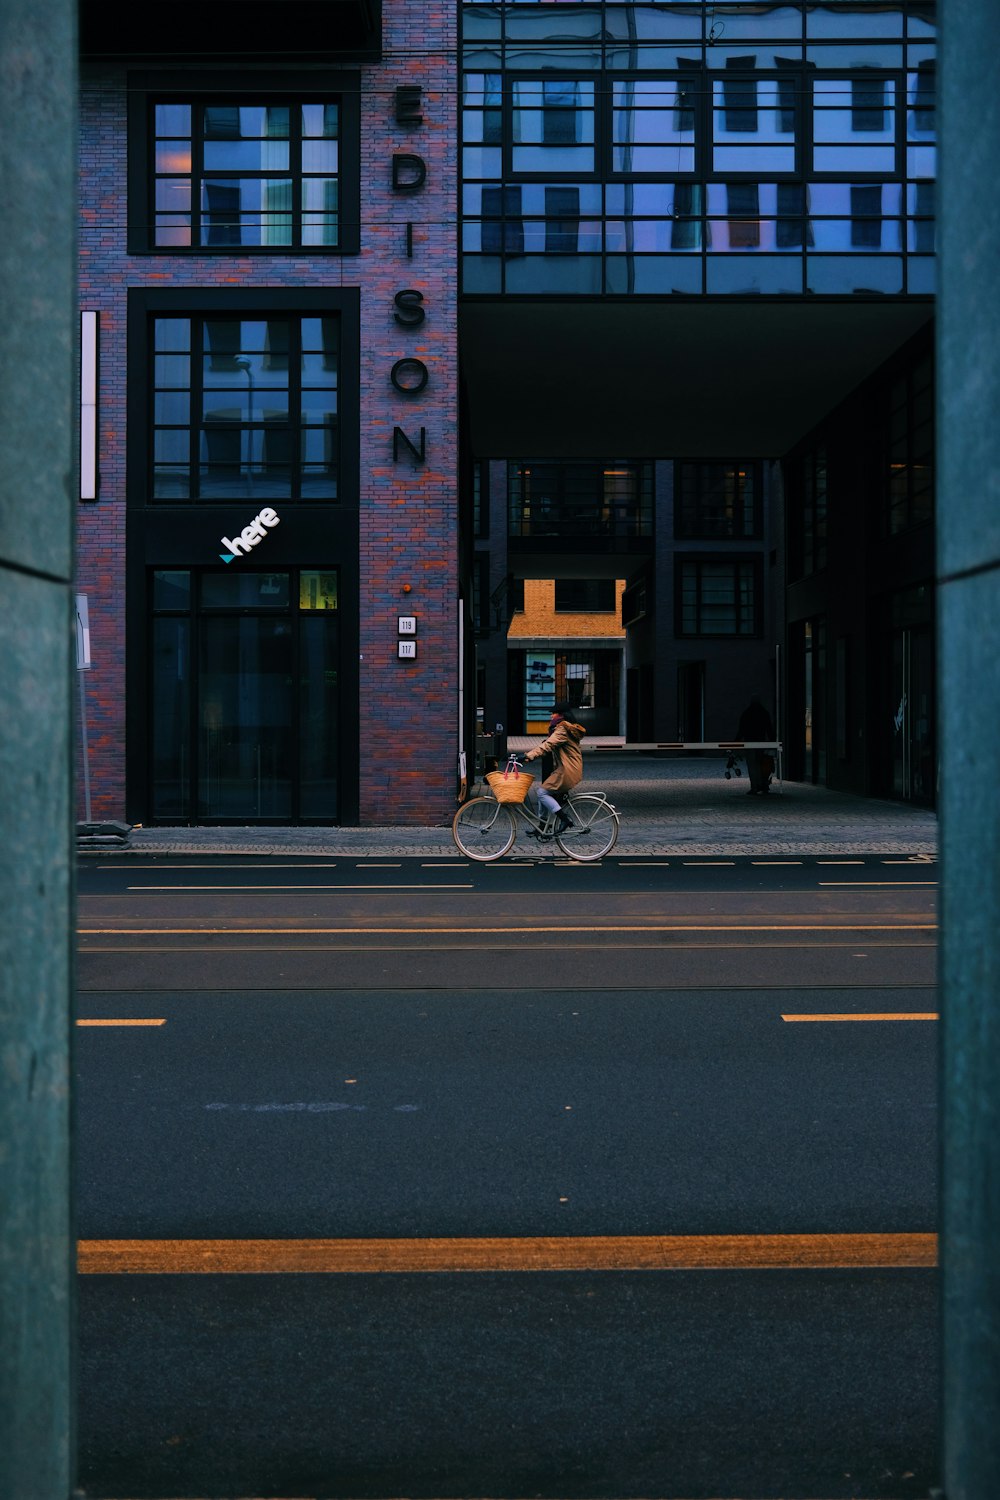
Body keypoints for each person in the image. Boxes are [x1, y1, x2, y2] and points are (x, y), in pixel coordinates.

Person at [524, 701, 586, 833]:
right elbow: (548, 744)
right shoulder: (563, 728)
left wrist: (529, 755)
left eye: (554, 713)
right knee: (543, 791)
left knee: (542, 793)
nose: (551, 716)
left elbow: (548, 745)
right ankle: (542, 825)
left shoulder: (562, 729)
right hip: (567, 768)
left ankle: (564, 819)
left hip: (567, 770)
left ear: (561, 715)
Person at [738, 694, 775, 795]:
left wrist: (736, 742)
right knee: (761, 764)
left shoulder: (747, 714)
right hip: (761, 743)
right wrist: (773, 742)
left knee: (752, 765)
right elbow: (769, 729)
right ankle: (763, 785)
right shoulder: (764, 713)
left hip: (749, 743)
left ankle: (754, 786)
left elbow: (741, 730)